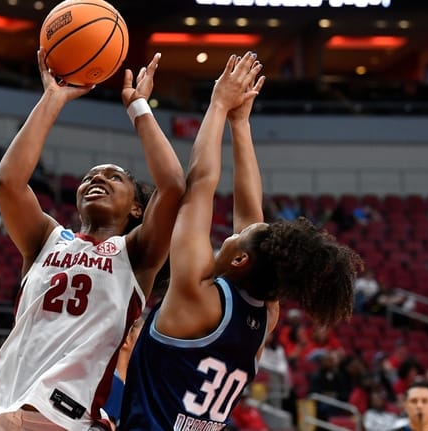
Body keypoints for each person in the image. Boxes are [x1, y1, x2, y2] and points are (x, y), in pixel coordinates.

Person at [119, 53, 362, 430]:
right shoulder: (265, 313)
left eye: (236, 237)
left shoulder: (197, 297)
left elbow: (200, 183)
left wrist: (218, 104)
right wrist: (240, 123)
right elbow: (252, 218)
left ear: (239, 261)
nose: (232, 232)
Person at [0, 50, 185, 431]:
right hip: (4, 413)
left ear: (137, 210)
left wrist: (138, 107)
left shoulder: (136, 255)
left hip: (68, 420)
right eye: (90, 176)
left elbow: (173, 185)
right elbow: (7, 183)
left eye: (114, 177)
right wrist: (52, 99)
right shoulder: (45, 237)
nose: (98, 179)